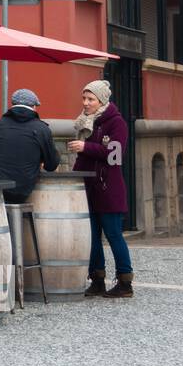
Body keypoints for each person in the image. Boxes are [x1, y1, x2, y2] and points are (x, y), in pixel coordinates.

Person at [67, 79, 134, 298]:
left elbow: (115, 155)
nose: (85, 103)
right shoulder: (85, 122)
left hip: (109, 188)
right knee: (92, 237)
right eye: (84, 98)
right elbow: (84, 161)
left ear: (101, 100)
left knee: (114, 235)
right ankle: (97, 280)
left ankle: (125, 282)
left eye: (90, 99)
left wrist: (87, 147)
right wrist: (73, 179)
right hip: (88, 188)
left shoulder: (117, 123)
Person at [0, 88, 60, 203]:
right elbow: (51, 165)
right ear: (34, 107)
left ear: (12, 105)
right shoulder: (42, 129)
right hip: (20, 190)